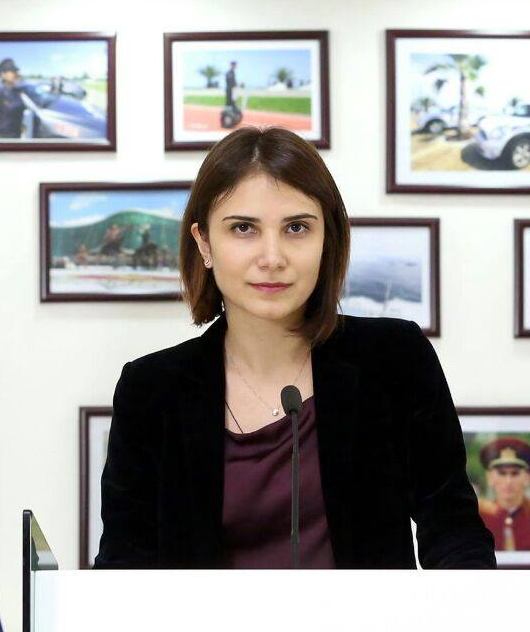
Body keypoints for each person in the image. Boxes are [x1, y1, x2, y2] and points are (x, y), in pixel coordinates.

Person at [93, 125, 495, 569]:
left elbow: (454, 531)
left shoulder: (393, 358)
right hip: (203, 620)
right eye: (243, 228)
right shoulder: (151, 389)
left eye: (297, 227)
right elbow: (123, 566)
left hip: (368, 618)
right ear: (204, 243)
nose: (272, 258)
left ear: (327, 239)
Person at [476, 439, 530, 554]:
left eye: (515, 473)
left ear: (527, 478)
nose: (508, 481)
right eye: (502, 473)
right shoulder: (477, 521)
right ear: (490, 477)